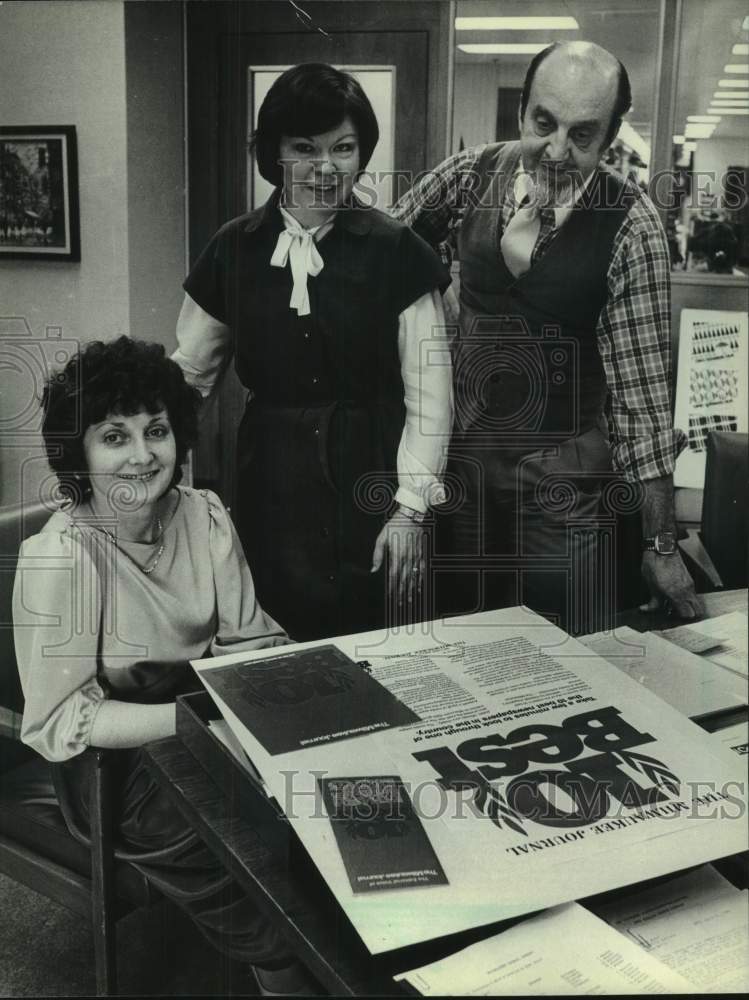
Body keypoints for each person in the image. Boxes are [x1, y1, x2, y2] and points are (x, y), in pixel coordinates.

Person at [13, 337, 316, 996]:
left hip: (209, 713)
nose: (142, 453)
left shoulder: (202, 516)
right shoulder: (61, 560)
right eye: (113, 436)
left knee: (331, 805)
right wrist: (201, 727)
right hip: (115, 765)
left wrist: (286, 696)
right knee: (259, 871)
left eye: (156, 430)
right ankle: (281, 970)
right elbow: (65, 719)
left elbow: (245, 640)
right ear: (79, 454)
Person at [393, 40, 703, 631]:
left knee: (571, 648)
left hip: (565, 485)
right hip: (465, 468)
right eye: (544, 123)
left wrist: (662, 547)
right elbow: (382, 250)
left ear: (610, 138)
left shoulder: (632, 225)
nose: (557, 151)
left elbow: (642, 410)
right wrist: (434, 293)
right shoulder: (470, 173)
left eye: (582, 135)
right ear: (521, 112)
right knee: (463, 636)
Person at [174, 63, 453, 642]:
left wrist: (411, 511)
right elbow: (190, 378)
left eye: (343, 148)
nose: (326, 168)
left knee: (377, 639)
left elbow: (432, 397)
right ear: (275, 152)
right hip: (270, 479)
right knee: (273, 637)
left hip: (375, 478)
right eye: (305, 148)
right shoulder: (234, 247)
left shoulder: (398, 250)